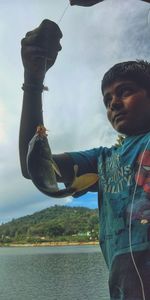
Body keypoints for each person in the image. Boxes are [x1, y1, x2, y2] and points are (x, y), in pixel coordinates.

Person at [19, 19, 150, 300]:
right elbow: (33, 169)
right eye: (106, 100)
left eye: (125, 91)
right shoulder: (102, 161)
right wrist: (33, 81)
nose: (113, 102)